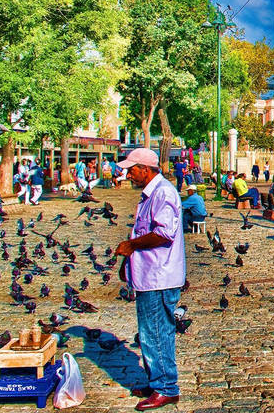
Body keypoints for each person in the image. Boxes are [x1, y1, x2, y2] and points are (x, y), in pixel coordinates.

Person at [114, 148, 184, 410]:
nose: (128, 174)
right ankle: (158, 381)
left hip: (159, 276)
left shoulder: (163, 192)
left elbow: (163, 233)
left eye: (132, 169)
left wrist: (131, 245)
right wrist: (129, 261)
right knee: (151, 333)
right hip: (150, 274)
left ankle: (166, 387)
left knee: (155, 333)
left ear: (146, 169)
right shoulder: (151, 193)